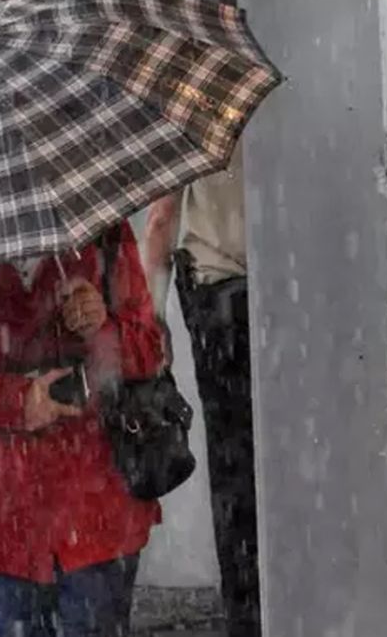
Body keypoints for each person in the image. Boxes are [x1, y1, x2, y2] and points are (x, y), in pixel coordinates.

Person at [0, 222, 164, 637]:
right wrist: (17, 401)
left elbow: (148, 349)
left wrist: (102, 327)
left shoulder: (99, 229)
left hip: (93, 498)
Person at [144, 145, 258, 637]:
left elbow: (161, 216)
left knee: (234, 466)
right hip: (279, 290)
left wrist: (153, 314)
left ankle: (247, 610)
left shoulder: (198, 88)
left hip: (219, 300)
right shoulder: (280, 91)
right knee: (287, 455)